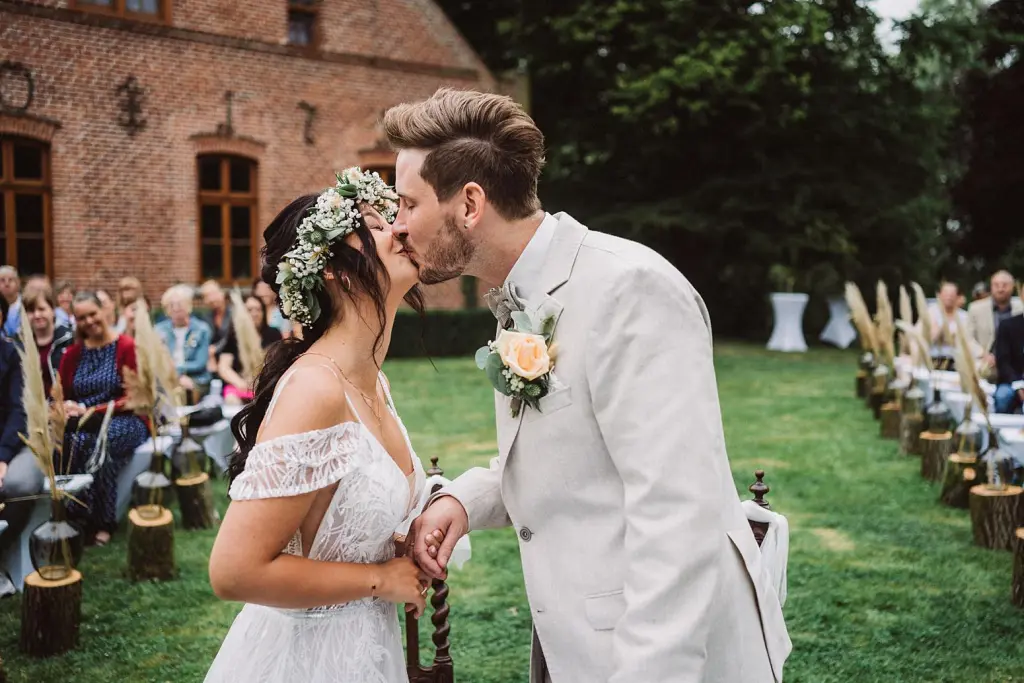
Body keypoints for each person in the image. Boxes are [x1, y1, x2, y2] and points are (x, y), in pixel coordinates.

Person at [389, 89, 791, 683]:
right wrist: (465, 500)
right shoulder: (521, 299)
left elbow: (678, 512)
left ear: (470, 203)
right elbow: (577, 458)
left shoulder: (630, 290)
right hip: (575, 648)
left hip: (657, 657)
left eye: (408, 204)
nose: (398, 228)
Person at [205, 168, 428, 683]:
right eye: (373, 225)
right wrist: (379, 579)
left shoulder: (374, 383)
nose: (398, 229)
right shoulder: (315, 390)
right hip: (308, 661)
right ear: (333, 270)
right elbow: (234, 570)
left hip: (369, 649)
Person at [58, 292, 149, 546]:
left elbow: (134, 398)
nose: (88, 321)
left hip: (127, 420)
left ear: (104, 312)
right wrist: (65, 407)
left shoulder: (126, 347)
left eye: (92, 314)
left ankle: (103, 522)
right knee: (75, 441)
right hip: (83, 423)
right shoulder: (72, 355)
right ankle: (77, 516)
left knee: (102, 444)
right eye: (81, 317)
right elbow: (61, 394)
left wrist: (93, 411)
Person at [0, 295, 42, 561]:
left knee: (20, 485)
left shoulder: (13, 355)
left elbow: (20, 410)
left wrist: (2, 457)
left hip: (15, 443)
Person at [217, 294, 282, 404]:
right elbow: (224, 367)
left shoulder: (273, 334)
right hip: (241, 388)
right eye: (249, 310)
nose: (254, 313)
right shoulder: (234, 335)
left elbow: (278, 365)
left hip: (265, 388)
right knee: (231, 400)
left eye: (258, 309)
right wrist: (239, 383)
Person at [155, 285, 213, 400]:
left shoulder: (201, 329)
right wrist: (176, 376)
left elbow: (200, 363)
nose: (176, 308)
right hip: (167, 378)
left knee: (182, 389)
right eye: (172, 305)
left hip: (196, 378)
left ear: (188, 306)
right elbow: (157, 361)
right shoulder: (158, 330)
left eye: (180, 304)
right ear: (167, 309)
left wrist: (177, 372)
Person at [967, 271, 1022, 381]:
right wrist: (983, 354)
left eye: (1005, 285)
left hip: (1015, 366)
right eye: (996, 285)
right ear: (991, 287)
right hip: (985, 364)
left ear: (1013, 287)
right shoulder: (976, 308)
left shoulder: (1021, 308)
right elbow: (968, 338)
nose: (1000, 289)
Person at [22, 286, 75, 398]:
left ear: (53, 311)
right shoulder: (20, 343)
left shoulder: (69, 338)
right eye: (31, 311)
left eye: (41, 309)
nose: (37, 315)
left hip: (64, 406)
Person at [201, 280, 233, 372]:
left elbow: (230, 338)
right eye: (206, 296)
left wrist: (214, 350)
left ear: (222, 293)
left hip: (231, 355)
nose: (211, 299)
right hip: (211, 358)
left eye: (213, 294)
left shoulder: (233, 313)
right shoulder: (206, 317)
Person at [0, 266, 22, 340]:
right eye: (2, 280)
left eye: (10, 280)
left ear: (18, 283)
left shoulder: (26, 304)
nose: (7, 284)